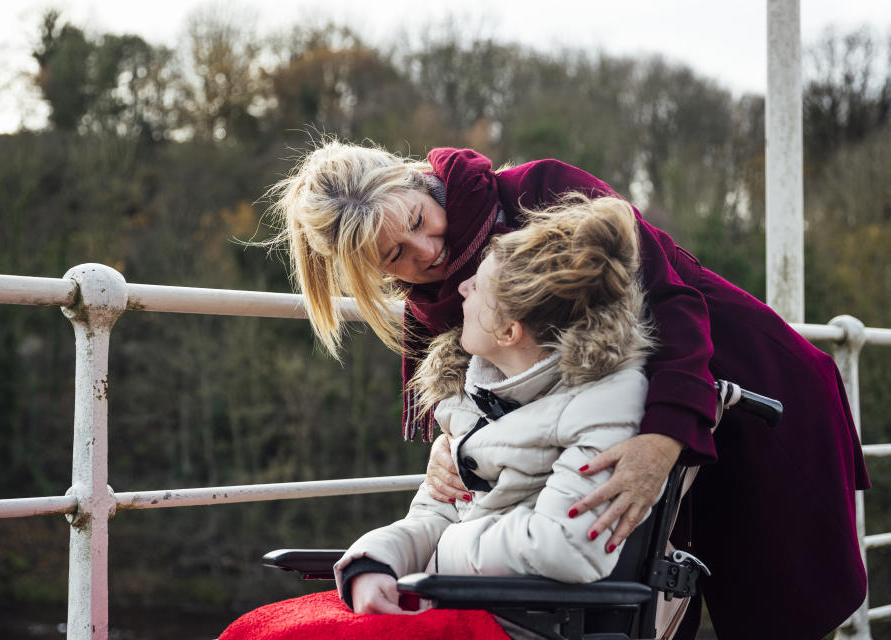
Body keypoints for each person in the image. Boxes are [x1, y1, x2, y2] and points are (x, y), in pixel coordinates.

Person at [266, 139, 869, 639]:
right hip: (616, 424)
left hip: (734, 382)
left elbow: (670, 304)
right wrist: (452, 446)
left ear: (422, 183)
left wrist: (662, 439)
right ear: (378, 272)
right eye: (398, 254)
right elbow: (475, 398)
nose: (430, 251)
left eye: (421, 221)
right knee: (657, 592)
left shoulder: (539, 192)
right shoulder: (430, 311)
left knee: (773, 598)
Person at [336, 195, 655, 638]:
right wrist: (373, 561)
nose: (462, 288)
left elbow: (567, 546)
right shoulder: (472, 393)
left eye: (478, 286)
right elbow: (436, 517)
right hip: (448, 600)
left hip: (518, 622)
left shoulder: (600, 405)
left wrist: (441, 558)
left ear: (509, 332)